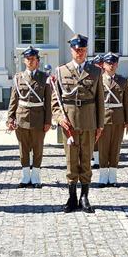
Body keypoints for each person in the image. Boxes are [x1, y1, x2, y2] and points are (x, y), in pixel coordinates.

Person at [51, 34, 105, 213]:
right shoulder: (61, 71)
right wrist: (59, 118)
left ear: (86, 50)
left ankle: (85, 197)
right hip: (70, 123)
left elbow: (100, 101)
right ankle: (72, 196)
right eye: (76, 49)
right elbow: (55, 101)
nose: (79, 52)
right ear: (71, 50)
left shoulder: (96, 72)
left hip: (89, 121)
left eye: (82, 49)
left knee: (86, 160)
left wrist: (100, 125)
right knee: (71, 160)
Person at [6, 46, 52, 188]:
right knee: (23, 148)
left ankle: (36, 176)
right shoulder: (18, 77)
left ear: (38, 61)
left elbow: (49, 102)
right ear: (24, 61)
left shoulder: (45, 78)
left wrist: (48, 121)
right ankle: (26, 176)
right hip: (22, 118)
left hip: (39, 118)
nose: (30, 61)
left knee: (38, 148)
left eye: (33, 59)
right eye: (28, 59)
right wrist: (10, 118)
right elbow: (13, 100)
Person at [97, 53, 128, 187]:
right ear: (104, 65)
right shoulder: (99, 80)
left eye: (113, 63)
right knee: (103, 148)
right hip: (103, 118)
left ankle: (113, 177)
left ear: (117, 65)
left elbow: (126, 102)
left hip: (118, 118)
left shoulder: (122, 81)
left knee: (115, 147)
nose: (111, 66)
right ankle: (103, 177)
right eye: (108, 63)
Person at [90, 54, 104, 168]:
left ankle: (102, 157)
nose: (99, 66)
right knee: (95, 134)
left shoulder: (107, 76)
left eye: (101, 64)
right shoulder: (91, 76)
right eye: (97, 64)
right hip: (93, 109)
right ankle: (95, 158)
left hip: (106, 109)